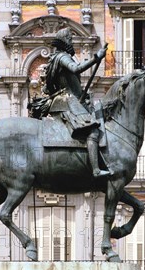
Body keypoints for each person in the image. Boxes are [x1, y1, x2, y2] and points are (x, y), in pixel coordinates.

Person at [44, 27, 110, 177]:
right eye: (70, 39)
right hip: (67, 101)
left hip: (68, 99)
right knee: (92, 130)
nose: (72, 42)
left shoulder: (58, 58)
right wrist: (96, 58)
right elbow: (76, 68)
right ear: (65, 41)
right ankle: (95, 169)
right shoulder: (62, 57)